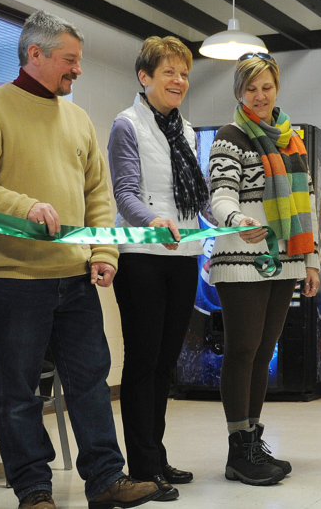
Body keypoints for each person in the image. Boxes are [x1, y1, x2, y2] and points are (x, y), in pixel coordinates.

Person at [0, 11, 160, 509]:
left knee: (90, 383)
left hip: (76, 278)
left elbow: (99, 195)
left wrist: (105, 252)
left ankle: (106, 479)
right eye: (69, 60)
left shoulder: (78, 118)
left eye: (78, 61)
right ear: (34, 54)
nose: (77, 70)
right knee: (20, 393)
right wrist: (25, 206)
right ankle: (34, 491)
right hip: (14, 279)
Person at [207, 52, 320, 487]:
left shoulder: (292, 140)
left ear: (277, 89)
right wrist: (236, 220)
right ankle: (239, 450)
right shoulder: (229, 136)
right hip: (241, 260)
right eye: (250, 88)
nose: (259, 95)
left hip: (286, 262)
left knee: (262, 354)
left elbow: (305, 204)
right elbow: (221, 194)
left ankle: (253, 440)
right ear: (239, 92)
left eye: (266, 87)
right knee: (242, 351)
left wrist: (310, 261)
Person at [107, 36, 207, 501]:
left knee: (167, 364)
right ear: (144, 77)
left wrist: (231, 223)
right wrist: (154, 221)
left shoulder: (186, 131)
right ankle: (143, 466)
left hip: (184, 257)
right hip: (142, 258)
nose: (179, 81)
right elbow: (125, 194)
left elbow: (197, 199)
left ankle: (158, 454)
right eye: (169, 72)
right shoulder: (126, 125)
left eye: (184, 73)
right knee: (143, 363)